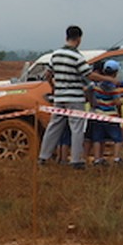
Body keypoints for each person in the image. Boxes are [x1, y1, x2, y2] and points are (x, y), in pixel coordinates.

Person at [38, 26, 94, 168]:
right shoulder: (77, 57)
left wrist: (54, 87)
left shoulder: (55, 55)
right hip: (75, 98)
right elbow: (89, 75)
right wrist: (109, 80)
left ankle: (43, 156)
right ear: (79, 38)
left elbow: (48, 74)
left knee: (54, 126)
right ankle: (76, 160)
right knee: (76, 128)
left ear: (66, 37)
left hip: (59, 97)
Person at [88, 60, 123, 165]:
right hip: (110, 116)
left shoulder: (96, 85)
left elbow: (88, 90)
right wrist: (121, 102)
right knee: (117, 138)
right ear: (116, 73)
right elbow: (117, 102)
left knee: (97, 138)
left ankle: (97, 158)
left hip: (98, 114)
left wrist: (91, 101)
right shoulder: (113, 88)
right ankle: (117, 158)